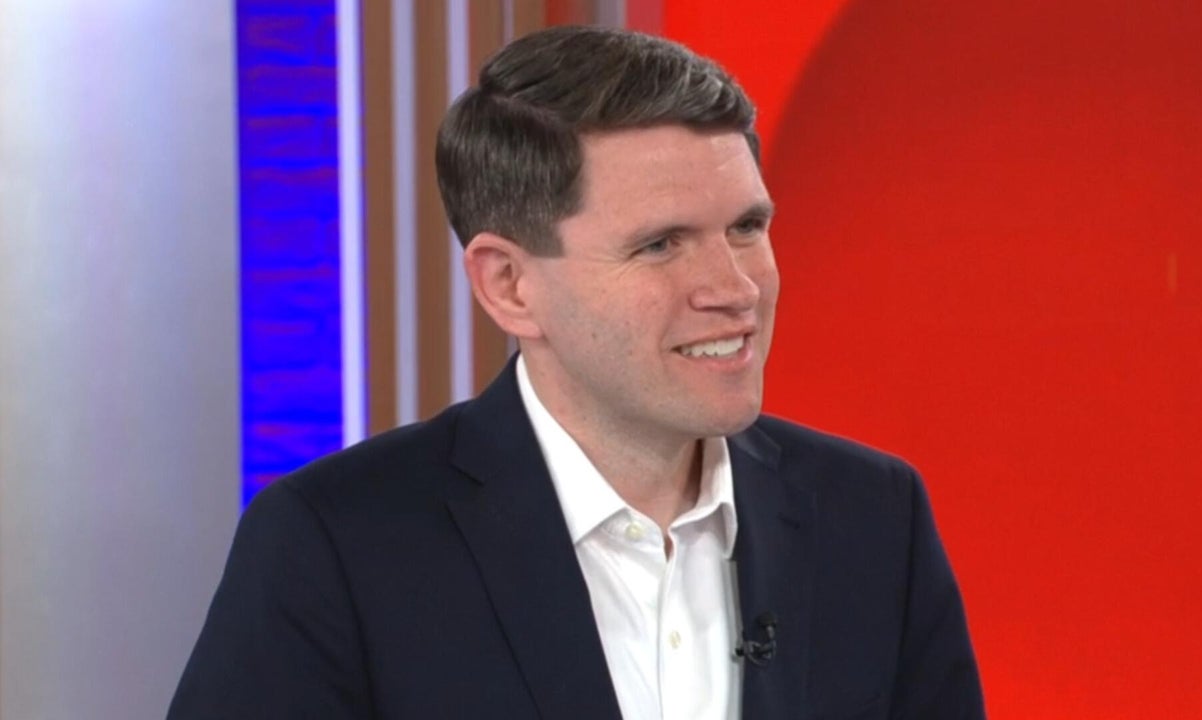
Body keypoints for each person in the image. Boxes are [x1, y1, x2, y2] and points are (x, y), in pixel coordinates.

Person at [168, 25, 984, 720]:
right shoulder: (338, 544)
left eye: (746, 227)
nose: (734, 288)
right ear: (509, 285)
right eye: (660, 244)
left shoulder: (872, 517)